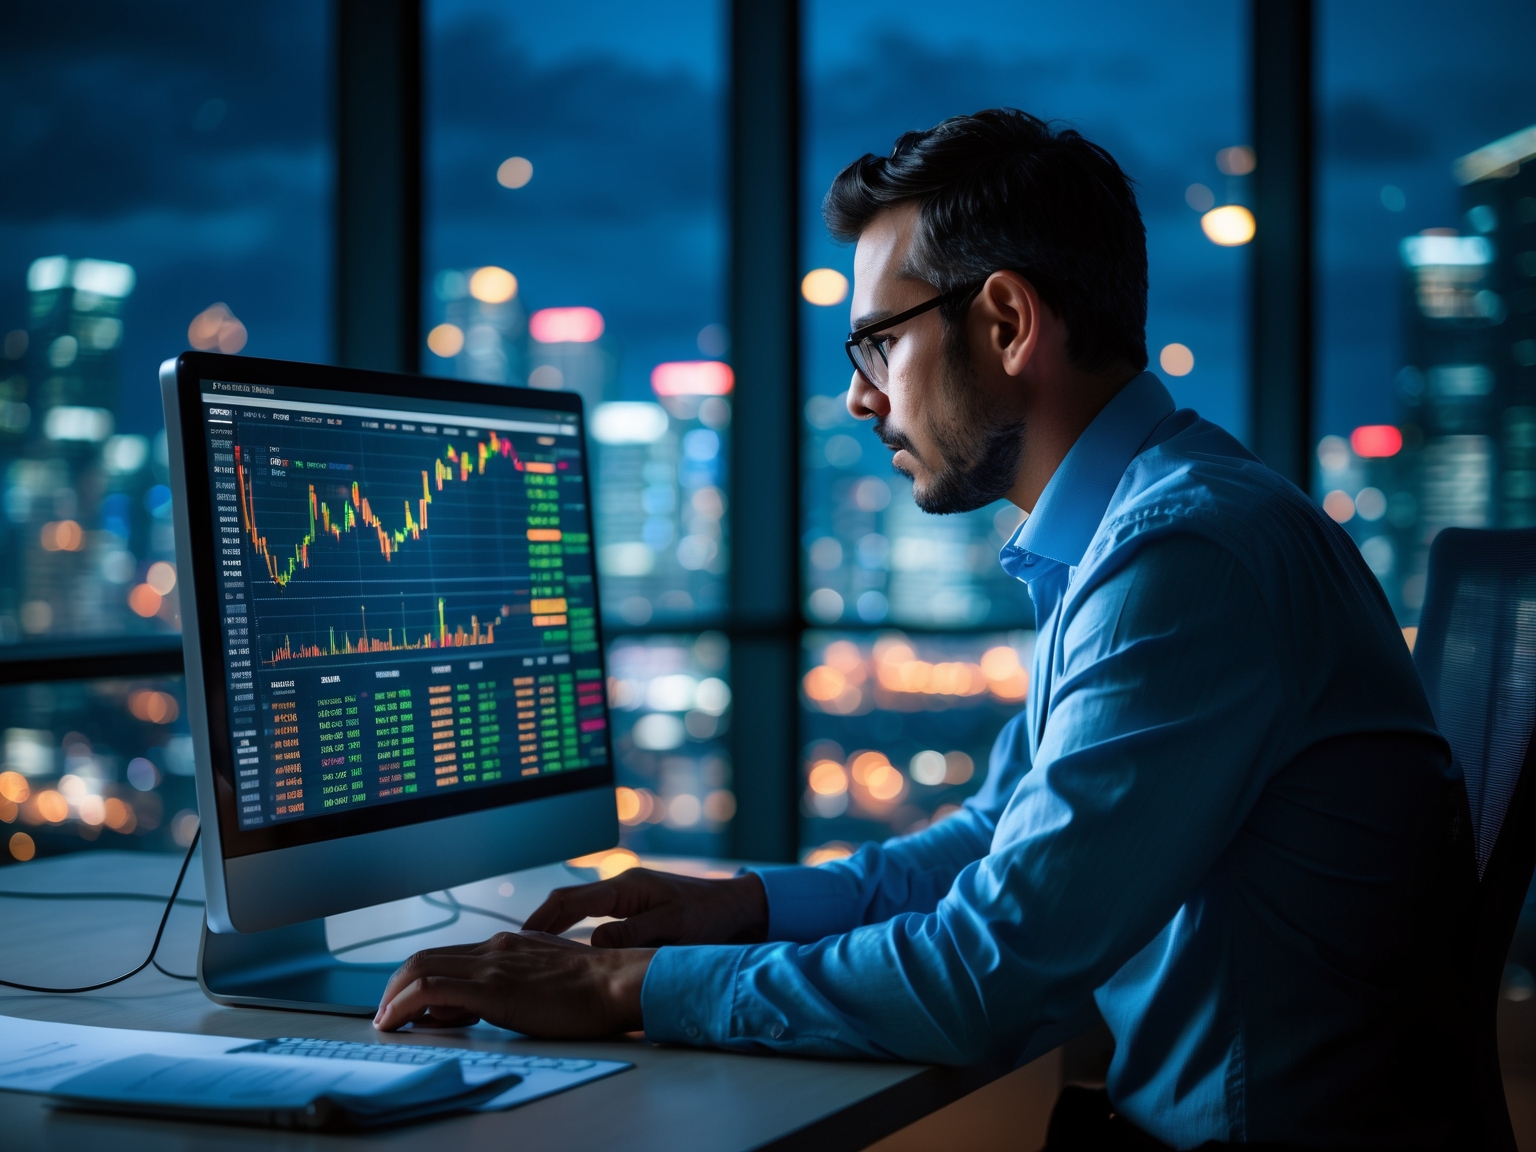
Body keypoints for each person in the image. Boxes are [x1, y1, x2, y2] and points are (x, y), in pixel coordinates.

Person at [374, 109, 1474, 1149]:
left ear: (1005, 321)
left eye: (878, 345)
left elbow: (983, 974)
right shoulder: (1140, 528)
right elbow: (991, 845)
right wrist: (743, 905)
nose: (861, 399)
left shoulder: (1186, 557)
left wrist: (616, 985)